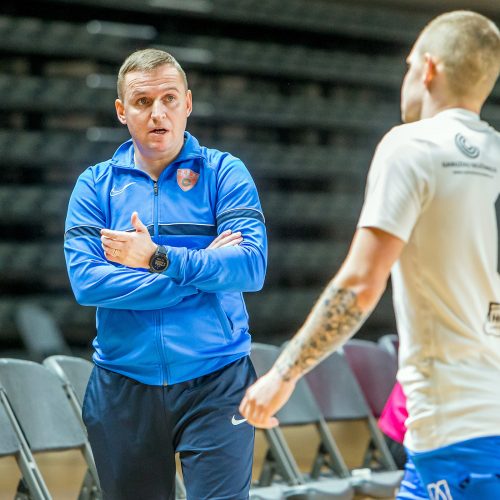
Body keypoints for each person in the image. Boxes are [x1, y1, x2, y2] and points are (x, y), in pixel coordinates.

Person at [240, 10, 500, 500]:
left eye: (407, 67)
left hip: (459, 429)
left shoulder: (412, 146)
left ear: (428, 69)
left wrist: (282, 373)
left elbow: (361, 283)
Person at [64, 48, 267, 500]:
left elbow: (250, 267)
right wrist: (194, 274)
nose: (158, 113)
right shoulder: (95, 186)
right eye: (142, 102)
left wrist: (158, 257)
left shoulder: (224, 174)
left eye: (169, 99)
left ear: (188, 103)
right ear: (121, 110)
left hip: (218, 381)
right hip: (123, 385)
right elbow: (87, 282)